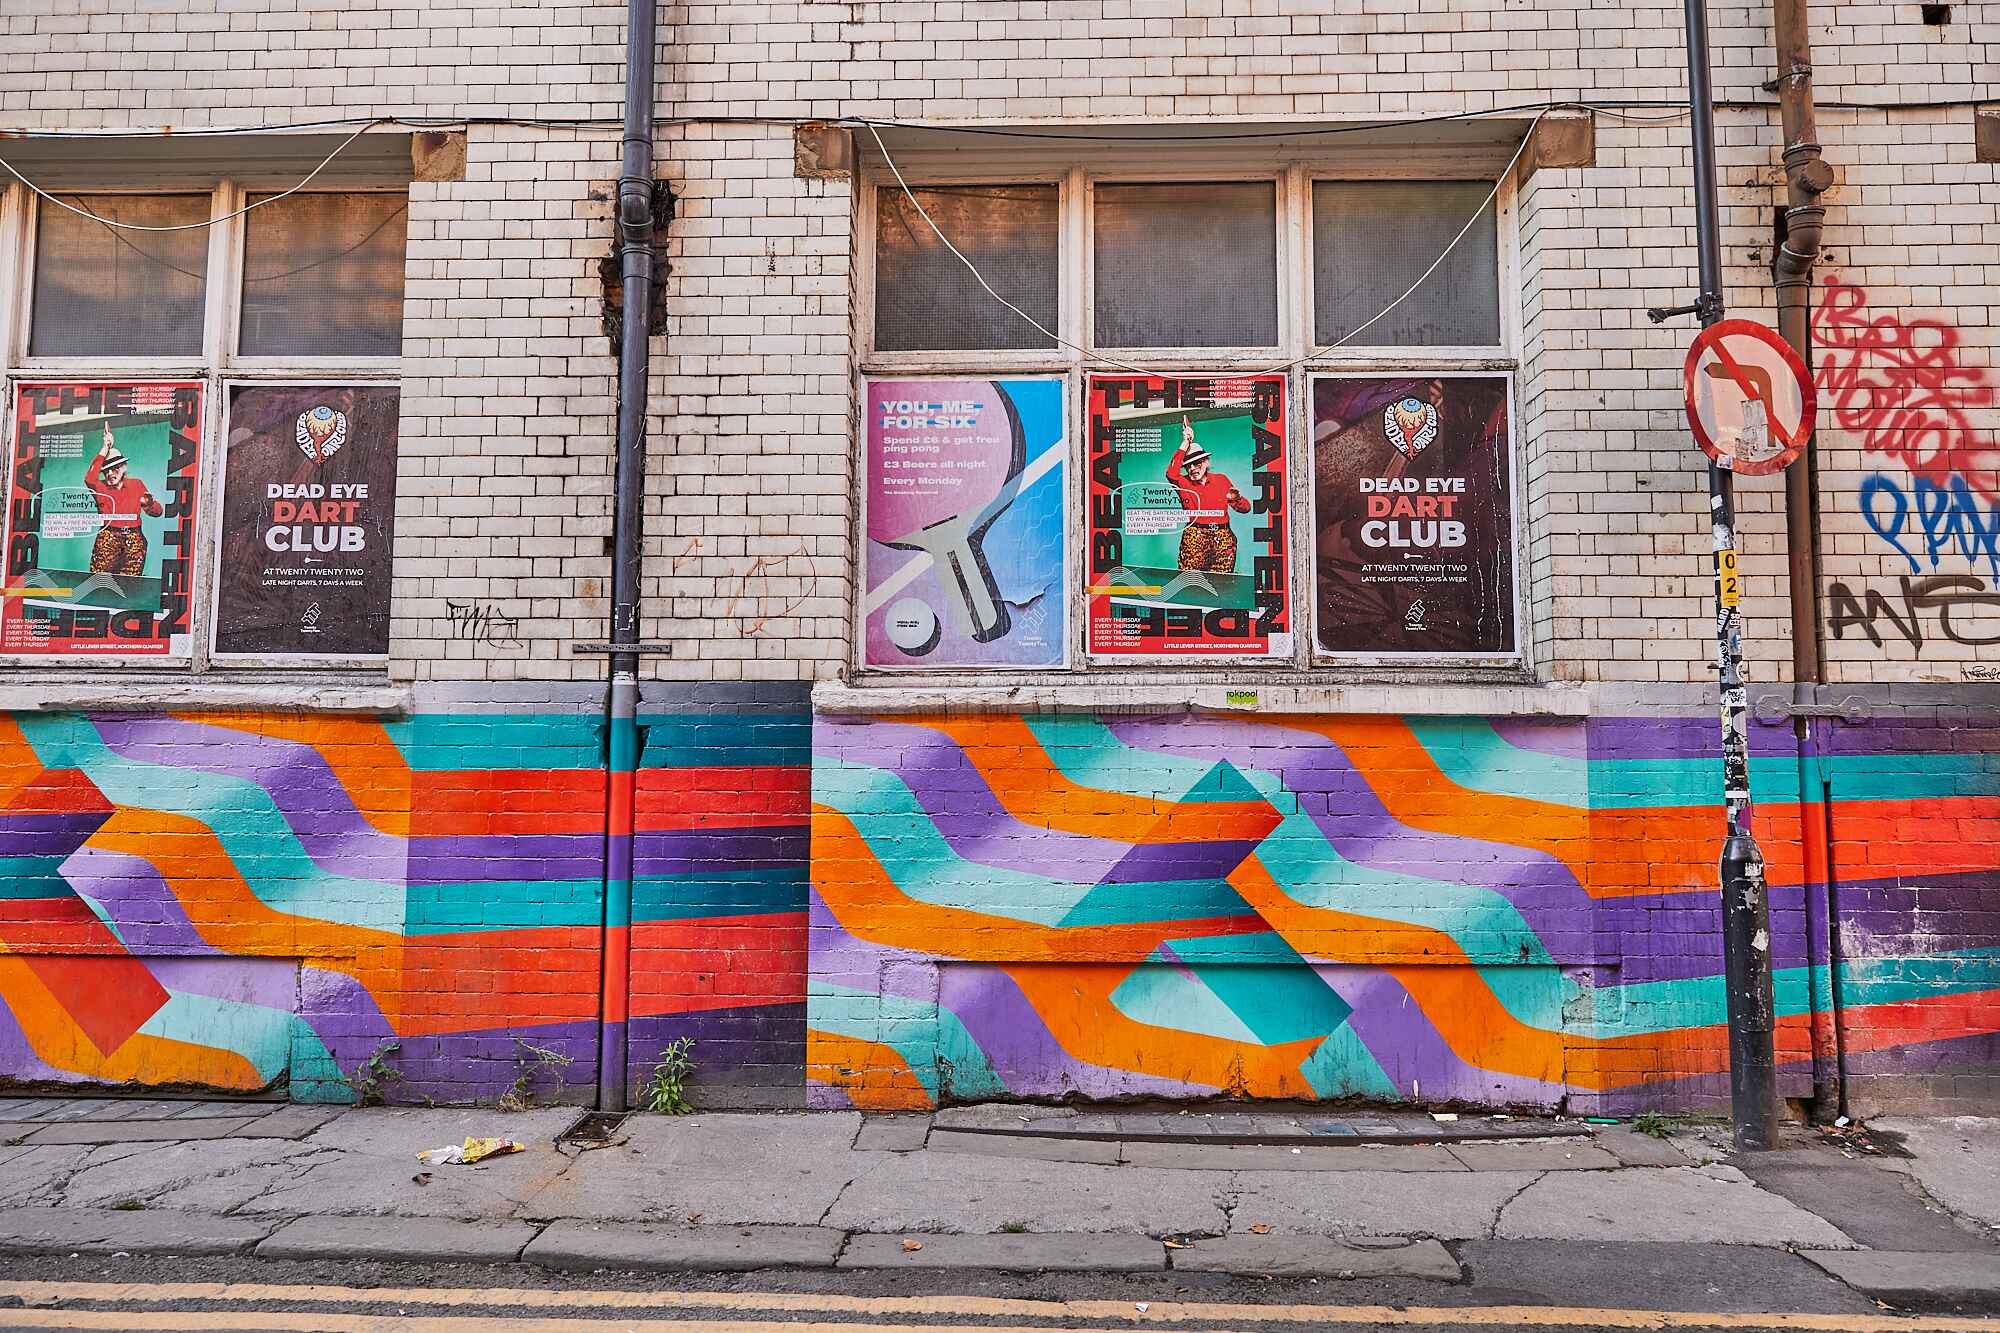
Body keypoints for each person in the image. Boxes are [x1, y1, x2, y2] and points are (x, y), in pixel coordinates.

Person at [1164, 415, 1250, 573]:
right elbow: (1171, 473)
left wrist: (1237, 499)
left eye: (1197, 463)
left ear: (1206, 462)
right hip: (1194, 537)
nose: (1192, 469)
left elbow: (1245, 509)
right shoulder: (1182, 483)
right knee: (1190, 583)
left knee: (1222, 585)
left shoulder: (1222, 480)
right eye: (1188, 466)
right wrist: (1186, 442)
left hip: (1223, 537)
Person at [84, 421, 162, 577]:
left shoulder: (137, 484)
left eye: (115, 468)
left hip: (134, 539)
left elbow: (157, 512)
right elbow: (89, 477)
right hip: (107, 538)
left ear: (124, 467)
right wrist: (105, 448)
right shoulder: (99, 487)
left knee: (129, 586)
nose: (111, 473)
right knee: (99, 583)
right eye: (106, 470)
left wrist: (150, 503)